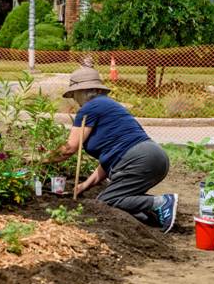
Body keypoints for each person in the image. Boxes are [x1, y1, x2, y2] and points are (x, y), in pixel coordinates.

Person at [47, 66, 177, 233]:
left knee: (108, 200)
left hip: (139, 160)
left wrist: (40, 159)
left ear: (86, 91)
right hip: (154, 158)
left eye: (74, 94)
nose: (74, 99)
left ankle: (160, 203)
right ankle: (150, 216)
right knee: (117, 197)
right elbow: (109, 159)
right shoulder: (110, 106)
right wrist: (84, 186)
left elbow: (70, 148)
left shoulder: (89, 109)